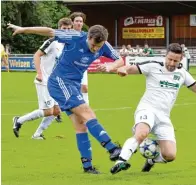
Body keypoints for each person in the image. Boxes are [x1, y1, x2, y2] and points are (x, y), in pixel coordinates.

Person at [8, 22, 124, 174]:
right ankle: (112, 148)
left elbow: (120, 60)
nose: (95, 49)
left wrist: (110, 67)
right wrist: (24, 29)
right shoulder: (75, 36)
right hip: (59, 82)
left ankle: (87, 167)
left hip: (73, 85)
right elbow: (49, 31)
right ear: (88, 37)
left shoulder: (103, 45)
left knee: (80, 124)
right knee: (87, 112)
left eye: (98, 46)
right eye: (93, 45)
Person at [110, 43, 196, 174]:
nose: (172, 63)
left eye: (175, 60)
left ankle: (151, 161)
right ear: (165, 56)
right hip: (147, 109)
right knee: (141, 133)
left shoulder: (182, 74)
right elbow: (130, 68)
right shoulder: (153, 65)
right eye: (170, 59)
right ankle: (121, 161)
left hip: (164, 116)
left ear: (181, 59)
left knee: (170, 155)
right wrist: (123, 70)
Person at [12, 18, 73, 139]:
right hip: (44, 80)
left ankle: (37, 134)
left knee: (56, 111)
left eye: (68, 29)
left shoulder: (67, 45)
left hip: (55, 82)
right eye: (63, 28)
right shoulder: (52, 41)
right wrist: (39, 73)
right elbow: (37, 55)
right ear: (59, 28)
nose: (66, 31)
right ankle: (19, 120)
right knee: (49, 111)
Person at [70, 12, 90, 105]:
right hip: (68, 66)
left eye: (81, 21)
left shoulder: (86, 36)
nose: (79, 23)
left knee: (84, 88)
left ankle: (86, 108)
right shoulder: (67, 35)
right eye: (77, 21)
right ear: (72, 22)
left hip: (82, 66)